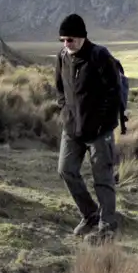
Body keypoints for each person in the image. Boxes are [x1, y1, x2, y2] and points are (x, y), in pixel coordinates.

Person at [54, 13, 121, 240]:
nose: (66, 44)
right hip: (72, 128)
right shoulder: (62, 57)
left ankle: (107, 225)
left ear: (82, 37)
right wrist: (65, 112)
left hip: (99, 131)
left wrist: (102, 122)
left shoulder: (100, 56)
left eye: (70, 39)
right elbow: (60, 90)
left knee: (102, 177)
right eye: (63, 39)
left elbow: (114, 93)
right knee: (66, 169)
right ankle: (90, 213)